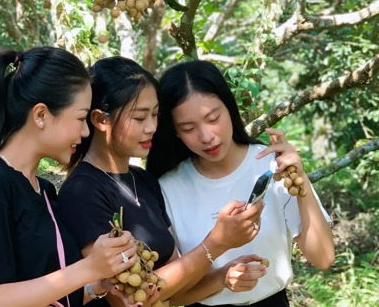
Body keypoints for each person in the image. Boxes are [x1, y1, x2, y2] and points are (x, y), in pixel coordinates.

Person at [58, 57, 268, 307]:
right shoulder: (83, 191)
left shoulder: (145, 181)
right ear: (101, 120)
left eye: (155, 115)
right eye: (139, 118)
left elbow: (175, 291)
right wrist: (217, 242)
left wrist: (221, 277)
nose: (151, 127)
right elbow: (127, 298)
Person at [0, 47, 138, 307]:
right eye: (81, 118)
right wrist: (89, 268)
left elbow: (48, 290)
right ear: (40, 115)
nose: (85, 132)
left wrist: (98, 284)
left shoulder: (45, 190)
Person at [147, 60, 335, 307]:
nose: (206, 137)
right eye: (189, 128)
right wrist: (220, 278)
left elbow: (322, 258)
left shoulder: (270, 166)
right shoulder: (168, 188)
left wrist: (301, 182)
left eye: (213, 118)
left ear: (230, 108)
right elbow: (169, 296)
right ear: (174, 131)